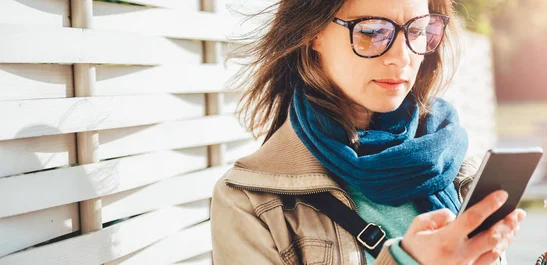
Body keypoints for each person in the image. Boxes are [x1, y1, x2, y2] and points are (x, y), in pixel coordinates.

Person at [211, 0, 526, 264]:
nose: (402, 56)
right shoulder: (249, 201)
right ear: (312, 33)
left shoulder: (452, 161)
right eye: (373, 32)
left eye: (416, 31)